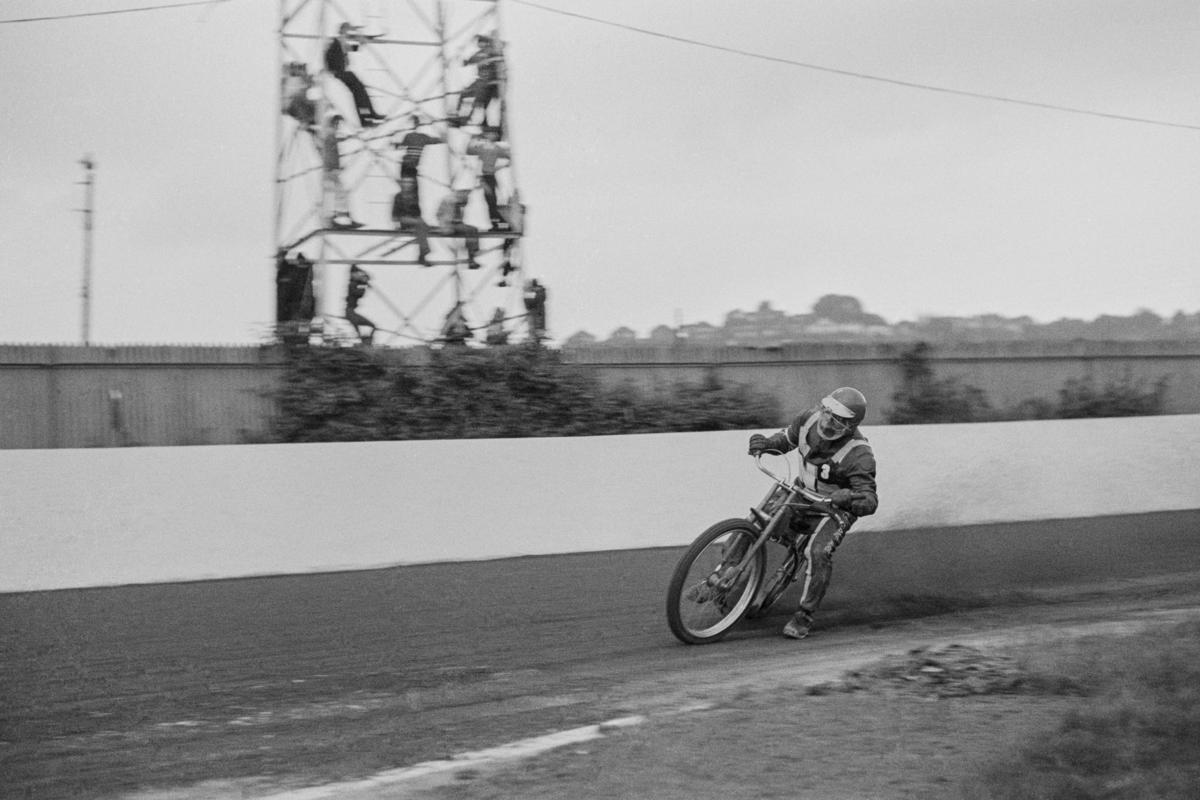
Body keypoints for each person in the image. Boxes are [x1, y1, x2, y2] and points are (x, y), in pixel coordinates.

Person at [745, 387, 878, 640]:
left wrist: (849, 497)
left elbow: (870, 499)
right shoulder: (808, 419)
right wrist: (765, 444)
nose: (828, 423)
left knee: (816, 552)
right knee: (755, 522)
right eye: (828, 414)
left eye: (838, 421)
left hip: (834, 509)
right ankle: (724, 574)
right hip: (801, 492)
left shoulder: (860, 454)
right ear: (822, 408)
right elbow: (786, 440)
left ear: (851, 427)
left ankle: (804, 616)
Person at [324, 22, 383, 127]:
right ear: (343, 30)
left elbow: (354, 48)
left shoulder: (342, 42)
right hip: (341, 72)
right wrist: (332, 70)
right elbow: (329, 55)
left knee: (360, 93)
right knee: (360, 91)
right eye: (347, 30)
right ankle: (366, 118)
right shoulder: (337, 41)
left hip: (344, 72)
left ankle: (369, 115)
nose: (348, 32)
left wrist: (362, 42)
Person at [320, 112, 362, 229]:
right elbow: (330, 153)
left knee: (334, 195)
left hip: (330, 170)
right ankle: (343, 219)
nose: (338, 127)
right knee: (340, 195)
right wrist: (335, 167)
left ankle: (336, 219)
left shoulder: (329, 135)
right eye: (337, 124)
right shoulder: (330, 136)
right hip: (331, 171)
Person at [466, 126, 512, 230]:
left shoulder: (486, 147)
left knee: (491, 203)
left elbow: (469, 150)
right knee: (491, 202)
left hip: (487, 177)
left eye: (492, 133)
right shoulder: (494, 147)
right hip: (489, 177)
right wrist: (499, 167)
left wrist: (473, 139)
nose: (491, 135)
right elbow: (509, 158)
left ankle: (501, 224)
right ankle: (500, 224)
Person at [393, 116, 444, 209]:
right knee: (413, 190)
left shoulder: (409, 136)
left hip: (406, 166)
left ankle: (408, 208)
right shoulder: (423, 137)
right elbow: (439, 140)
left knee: (408, 189)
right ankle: (412, 208)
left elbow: (398, 146)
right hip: (412, 167)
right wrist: (434, 124)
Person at [455, 34, 505, 128]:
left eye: (481, 42)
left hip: (486, 83)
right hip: (485, 82)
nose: (479, 45)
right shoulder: (484, 52)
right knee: (479, 103)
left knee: (477, 101)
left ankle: (465, 117)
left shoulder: (488, 51)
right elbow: (469, 61)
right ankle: (468, 118)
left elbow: (469, 61)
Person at [391, 176, 432, 266]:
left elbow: (418, 211)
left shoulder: (413, 196)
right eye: (405, 183)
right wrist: (396, 225)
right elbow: (394, 213)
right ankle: (424, 252)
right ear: (402, 184)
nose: (408, 185)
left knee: (422, 228)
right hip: (403, 219)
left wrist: (416, 218)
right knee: (421, 224)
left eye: (410, 183)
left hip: (414, 221)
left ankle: (422, 254)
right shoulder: (398, 196)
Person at [435, 189, 480, 269]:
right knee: (471, 230)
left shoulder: (457, 201)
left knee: (471, 230)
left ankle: (471, 254)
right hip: (449, 225)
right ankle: (471, 257)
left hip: (452, 224)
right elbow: (441, 215)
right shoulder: (451, 200)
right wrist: (445, 223)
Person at [344, 265, 375, 344]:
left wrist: (365, 282)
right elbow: (358, 293)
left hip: (350, 312)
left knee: (371, 327)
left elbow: (366, 279)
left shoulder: (354, 283)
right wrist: (365, 285)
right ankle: (365, 343)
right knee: (370, 327)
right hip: (350, 313)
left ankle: (365, 342)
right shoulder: (352, 284)